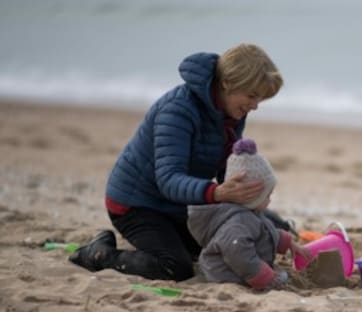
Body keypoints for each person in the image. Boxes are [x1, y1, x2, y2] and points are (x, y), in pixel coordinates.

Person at [69, 43, 285, 281]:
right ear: (227, 83)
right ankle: (100, 254)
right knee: (176, 267)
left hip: (182, 203)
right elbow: (168, 180)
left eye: (260, 99)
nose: (255, 106)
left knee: (260, 229)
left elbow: (227, 169)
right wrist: (217, 193)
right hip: (137, 205)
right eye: (252, 96)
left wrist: (251, 197)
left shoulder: (233, 111)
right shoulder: (178, 110)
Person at [187, 138, 309, 290]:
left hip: (245, 270)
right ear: (251, 196)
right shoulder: (237, 223)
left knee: (281, 276)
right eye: (267, 196)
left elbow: (265, 231)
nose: (269, 201)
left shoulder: (251, 213)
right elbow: (239, 255)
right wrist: (263, 276)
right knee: (279, 278)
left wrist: (287, 242)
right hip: (226, 276)